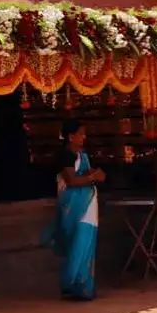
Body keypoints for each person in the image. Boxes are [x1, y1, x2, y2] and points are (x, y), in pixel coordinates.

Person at [45, 118, 105, 300]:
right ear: (71, 137)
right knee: (77, 243)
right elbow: (71, 180)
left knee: (87, 244)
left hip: (88, 204)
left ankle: (85, 286)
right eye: (80, 134)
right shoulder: (66, 156)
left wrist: (94, 175)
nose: (84, 137)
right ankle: (72, 284)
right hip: (74, 205)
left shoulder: (83, 154)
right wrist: (93, 177)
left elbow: (86, 174)